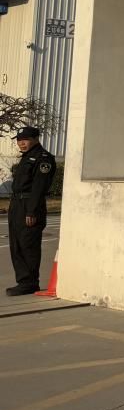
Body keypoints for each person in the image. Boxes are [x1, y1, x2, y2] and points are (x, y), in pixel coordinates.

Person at [6, 126, 56, 296]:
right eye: (19, 140)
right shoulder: (26, 157)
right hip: (17, 204)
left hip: (30, 205)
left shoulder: (43, 158)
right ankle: (23, 281)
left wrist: (31, 212)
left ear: (35, 139)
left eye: (25, 139)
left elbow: (39, 187)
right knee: (16, 245)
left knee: (28, 245)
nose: (21, 143)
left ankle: (30, 282)